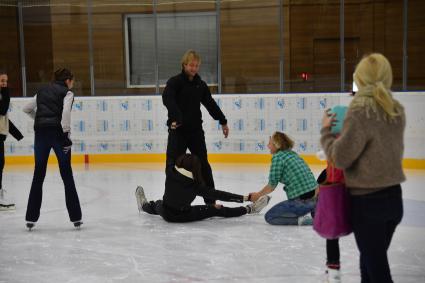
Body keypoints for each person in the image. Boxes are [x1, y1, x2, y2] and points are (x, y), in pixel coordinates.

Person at [321, 53, 405, 283]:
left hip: (368, 203)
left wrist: (326, 132)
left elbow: (340, 158)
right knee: (369, 264)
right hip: (394, 200)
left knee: (377, 270)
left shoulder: (360, 111)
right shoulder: (395, 109)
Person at [162, 50, 229, 205]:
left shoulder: (200, 85)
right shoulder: (175, 82)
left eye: (197, 65)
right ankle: (170, 200)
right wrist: (176, 117)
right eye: (191, 65)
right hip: (177, 131)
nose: (194, 68)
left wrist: (223, 121)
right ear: (184, 64)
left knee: (204, 165)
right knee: (172, 165)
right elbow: (168, 98)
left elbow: (210, 104)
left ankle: (211, 202)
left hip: (195, 132)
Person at [23, 68, 82, 230]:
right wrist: (64, 135)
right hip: (58, 135)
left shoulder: (41, 91)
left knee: (38, 174)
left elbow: (26, 108)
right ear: (68, 80)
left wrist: (41, 119)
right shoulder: (67, 93)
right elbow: (66, 113)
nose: (73, 84)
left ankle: (30, 218)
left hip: (41, 134)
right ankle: (76, 217)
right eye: (73, 80)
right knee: (66, 174)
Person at [135, 153, 271, 223]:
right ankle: (249, 209)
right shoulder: (195, 186)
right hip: (183, 216)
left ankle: (144, 206)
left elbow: (172, 153)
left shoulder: (170, 172)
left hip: (165, 212)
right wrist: (245, 198)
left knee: (157, 204)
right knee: (216, 210)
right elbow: (219, 194)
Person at [249, 132, 318, 225]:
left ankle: (306, 221)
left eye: (269, 143)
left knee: (270, 217)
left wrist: (257, 195)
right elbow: (310, 175)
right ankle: (314, 211)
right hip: (316, 199)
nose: (267, 146)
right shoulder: (293, 154)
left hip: (301, 201)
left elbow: (271, 186)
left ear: (276, 145)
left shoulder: (278, 157)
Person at [0, 71, 23, 210]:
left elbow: (4, 120)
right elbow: (2, 111)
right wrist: (7, 92)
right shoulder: (4, 96)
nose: (4, 83)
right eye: (2, 81)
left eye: (6, 81)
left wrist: (18, 135)